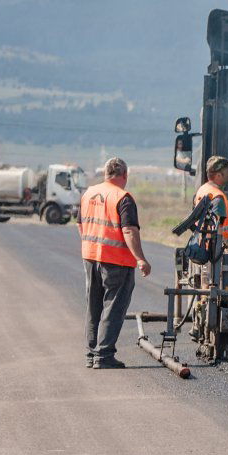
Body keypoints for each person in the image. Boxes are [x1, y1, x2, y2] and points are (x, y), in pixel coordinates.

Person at [79, 157, 150, 369]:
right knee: (114, 308)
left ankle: (92, 354)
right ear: (125, 175)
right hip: (116, 261)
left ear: (105, 174)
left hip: (90, 257)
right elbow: (129, 230)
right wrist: (140, 258)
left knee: (93, 306)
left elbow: (80, 225)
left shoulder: (88, 193)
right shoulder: (123, 197)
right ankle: (104, 355)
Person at [193, 156, 228, 242]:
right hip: (216, 249)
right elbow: (217, 230)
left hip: (202, 245)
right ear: (218, 175)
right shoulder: (218, 197)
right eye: (227, 171)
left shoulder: (203, 189)